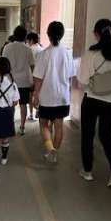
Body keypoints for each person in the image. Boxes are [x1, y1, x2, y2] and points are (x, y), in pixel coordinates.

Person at [77, 18, 111, 187]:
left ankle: (87, 171)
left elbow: (82, 80)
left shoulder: (91, 53)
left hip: (92, 100)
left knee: (88, 135)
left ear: (96, 33)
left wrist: (93, 84)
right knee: (106, 135)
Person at [33, 21, 76, 163]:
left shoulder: (43, 54)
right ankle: (54, 153)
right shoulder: (68, 53)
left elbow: (38, 78)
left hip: (47, 97)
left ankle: (50, 148)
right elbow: (70, 77)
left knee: (43, 124)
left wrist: (36, 96)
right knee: (59, 126)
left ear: (48, 34)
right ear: (62, 35)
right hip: (62, 97)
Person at [3, 25, 35, 135]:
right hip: (24, 82)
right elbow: (32, 66)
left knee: (11, 104)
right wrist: (33, 81)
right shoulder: (28, 49)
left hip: (10, 81)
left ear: (14, 35)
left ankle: (9, 125)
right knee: (23, 104)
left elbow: (4, 64)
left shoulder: (7, 47)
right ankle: (22, 127)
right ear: (25, 36)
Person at [26, 32, 42, 121]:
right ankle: (38, 109)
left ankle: (31, 114)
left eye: (28, 41)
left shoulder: (30, 49)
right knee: (38, 94)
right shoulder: (42, 49)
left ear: (31, 40)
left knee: (30, 95)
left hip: (31, 76)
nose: (27, 43)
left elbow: (28, 64)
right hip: (41, 76)